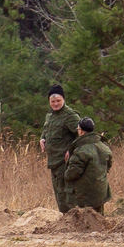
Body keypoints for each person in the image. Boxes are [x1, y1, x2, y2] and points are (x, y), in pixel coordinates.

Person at [39, 85, 83, 213]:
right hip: (53, 162)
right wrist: (42, 138)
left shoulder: (70, 116)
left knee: (67, 193)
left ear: (63, 100)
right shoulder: (50, 115)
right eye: (52, 101)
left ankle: (74, 219)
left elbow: (82, 135)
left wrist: (71, 150)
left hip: (66, 162)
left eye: (58, 101)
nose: (55, 104)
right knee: (59, 193)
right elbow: (46, 131)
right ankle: (65, 221)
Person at [63, 118, 112, 212]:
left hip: (83, 196)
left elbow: (73, 173)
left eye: (78, 129)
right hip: (100, 191)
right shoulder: (104, 147)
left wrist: (65, 176)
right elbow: (108, 166)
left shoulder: (80, 150)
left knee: (81, 221)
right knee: (99, 219)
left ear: (81, 131)